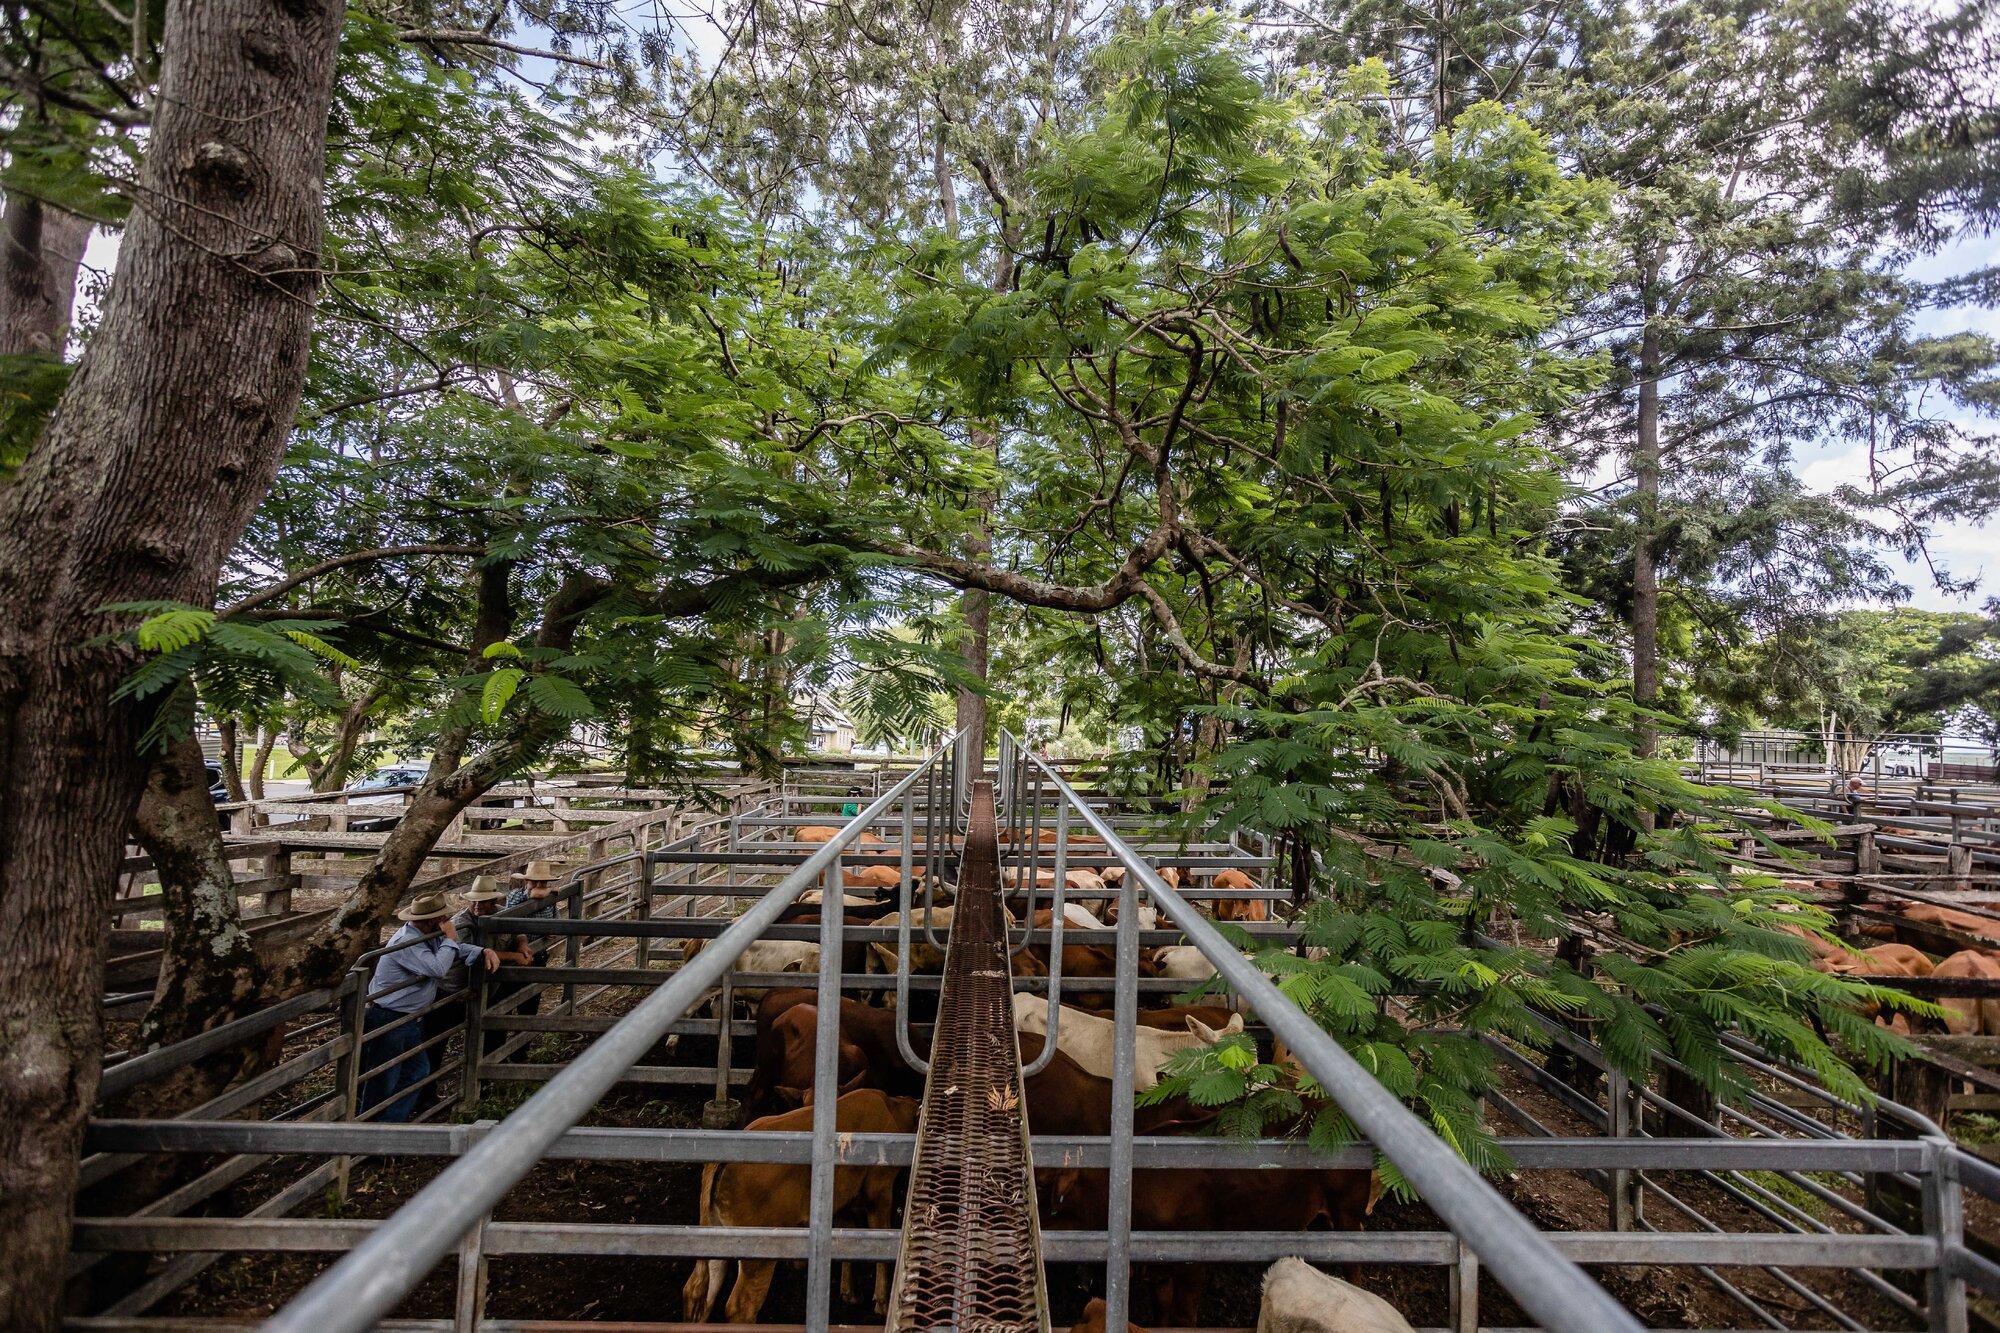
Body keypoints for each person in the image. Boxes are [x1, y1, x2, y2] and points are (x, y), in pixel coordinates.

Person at [358, 893, 497, 1123]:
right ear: (431, 920)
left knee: (416, 1071)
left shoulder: (427, 935)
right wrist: (451, 939)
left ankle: (389, 1125)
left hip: (407, 1018)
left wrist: (480, 951)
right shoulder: (407, 942)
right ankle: (371, 1134)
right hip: (390, 1017)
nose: (446, 919)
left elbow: (453, 950)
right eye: (442, 917)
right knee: (383, 1078)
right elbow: (438, 968)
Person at [419, 877, 530, 1085]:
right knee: (435, 1043)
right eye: (474, 901)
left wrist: (522, 943)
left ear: (493, 901)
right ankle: (426, 1091)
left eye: (483, 901)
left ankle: (487, 1078)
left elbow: (518, 930)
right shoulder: (461, 924)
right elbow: (475, 955)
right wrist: (515, 957)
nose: (477, 905)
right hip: (452, 991)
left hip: (484, 987)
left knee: (492, 1028)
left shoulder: (501, 913)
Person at [498, 860, 562, 1026]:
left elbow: (556, 925)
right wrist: (549, 890)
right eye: (534, 881)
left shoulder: (550, 899)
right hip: (514, 958)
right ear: (526, 881)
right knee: (505, 1004)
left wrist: (550, 930)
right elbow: (535, 895)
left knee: (530, 1005)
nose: (539, 885)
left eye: (543, 882)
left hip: (538, 956)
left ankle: (521, 1047)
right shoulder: (517, 895)